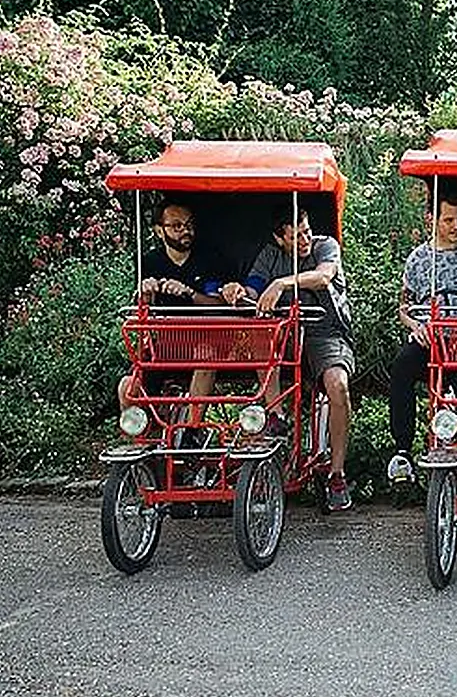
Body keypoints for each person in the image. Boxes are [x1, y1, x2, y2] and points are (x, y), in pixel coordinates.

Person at [227, 206, 356, 512]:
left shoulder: (326, 246)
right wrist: (235, 291)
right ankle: (276, 415)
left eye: (306, 231)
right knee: (259, 338)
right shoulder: (269, 256)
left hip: (325, 332)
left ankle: (337, 474)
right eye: (295, 236)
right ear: (279, 239)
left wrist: (284, 283)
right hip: (284, 334)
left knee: (337, 386)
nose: (304, 240)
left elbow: (324, 276)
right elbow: (252, 289)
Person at [385, 190, 457, 484]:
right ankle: (402, 450)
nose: (456, 226)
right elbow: (404, 306)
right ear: (432, 220)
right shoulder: (418, 260)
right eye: (448, 220)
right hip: (431, 337)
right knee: (401, 366)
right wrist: (415, 326)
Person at [115, 201, 228, 450]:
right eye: (176, 226)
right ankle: (141, 439)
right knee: (127, 387)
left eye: (188, 225)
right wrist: (144, 294)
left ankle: (191, 432)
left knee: (206, 355)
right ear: (159, 230)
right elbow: (143, 307)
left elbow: (218, 304)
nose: (185, 231)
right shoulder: (150, 261)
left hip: (203, 337)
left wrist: (189, 294)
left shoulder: (209, 258)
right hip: (165, 344)